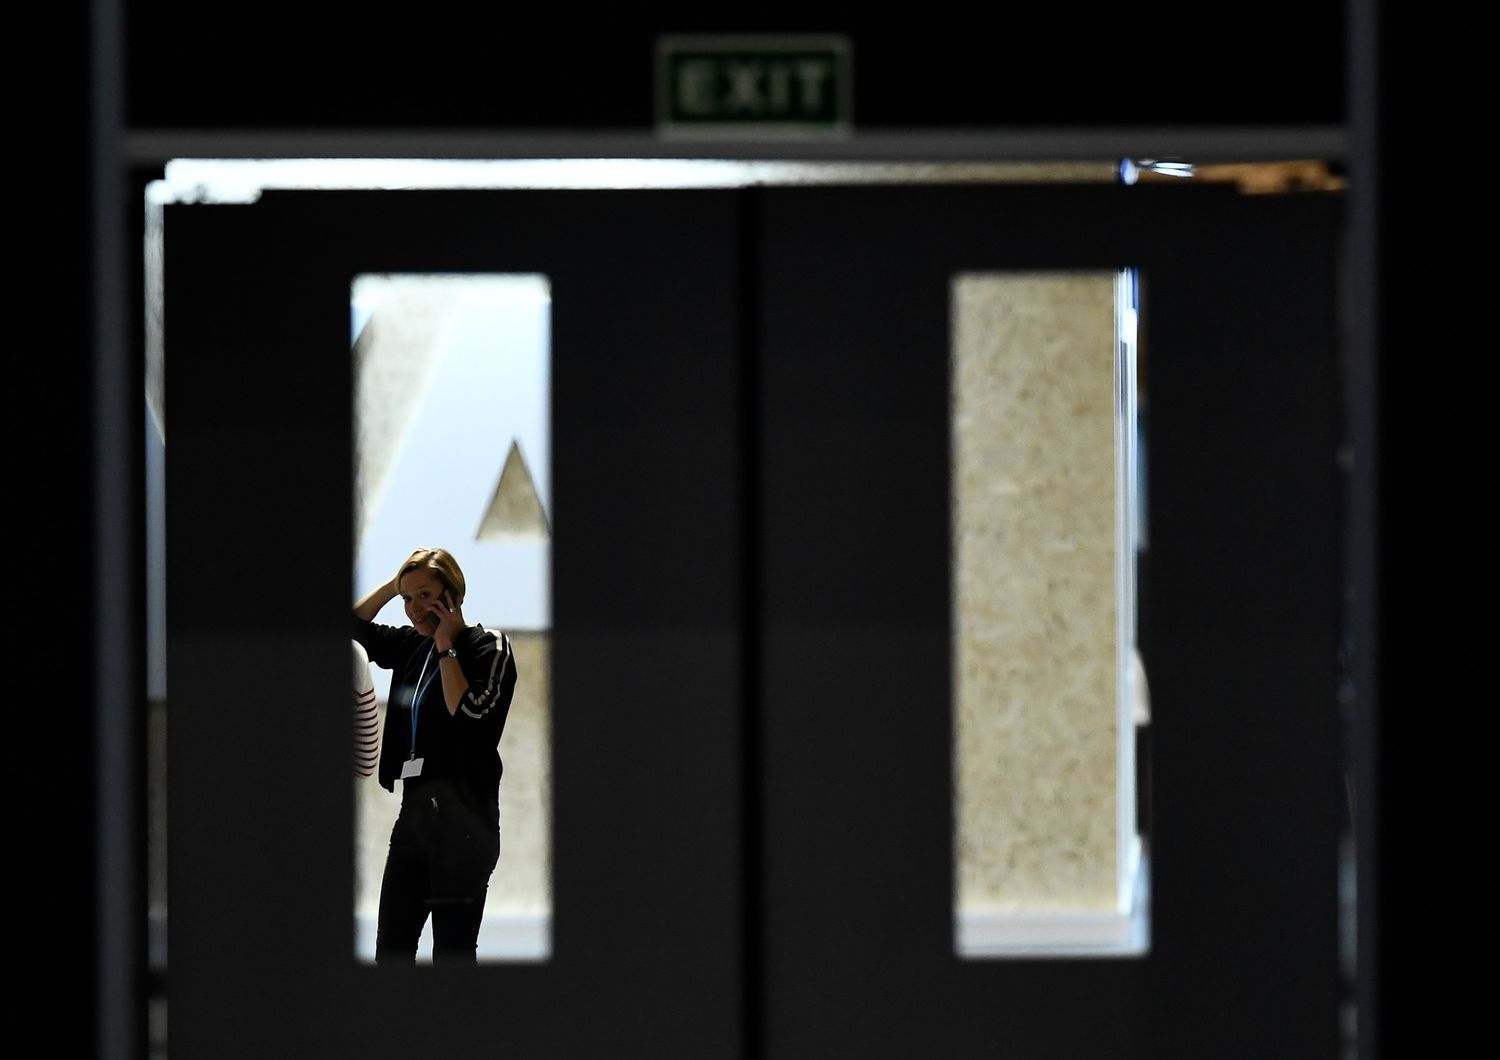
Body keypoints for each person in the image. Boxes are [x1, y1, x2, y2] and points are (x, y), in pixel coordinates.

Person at [353, 546, 518, 963]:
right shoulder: (412, 646)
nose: (412, 609)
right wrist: (395, 587)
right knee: (391, 951)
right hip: (413, 821)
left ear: (452, 595)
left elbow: (468, 718)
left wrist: (446, 645)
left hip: (465, 826)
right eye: (408, 599)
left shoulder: (488, 648)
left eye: (424, 596)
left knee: (453, 955)